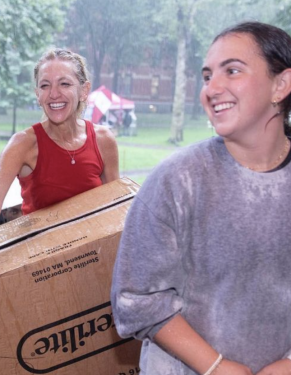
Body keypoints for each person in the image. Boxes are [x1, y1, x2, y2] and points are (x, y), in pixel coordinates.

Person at [111, 21, 291, 375]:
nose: (212, 88)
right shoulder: (176, 180)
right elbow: (135, 301)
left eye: (232, 70)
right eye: (207, 76)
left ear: (281, 84)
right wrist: (216, 367)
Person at [0, 48, 119, 306]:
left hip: (93, 263)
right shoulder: (23, 144)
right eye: (45, 85)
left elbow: (115, 210)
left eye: (65, 83)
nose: (54, 93)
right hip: (43, 269)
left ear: (84, 91)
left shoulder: (104, 140)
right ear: (37, 94)